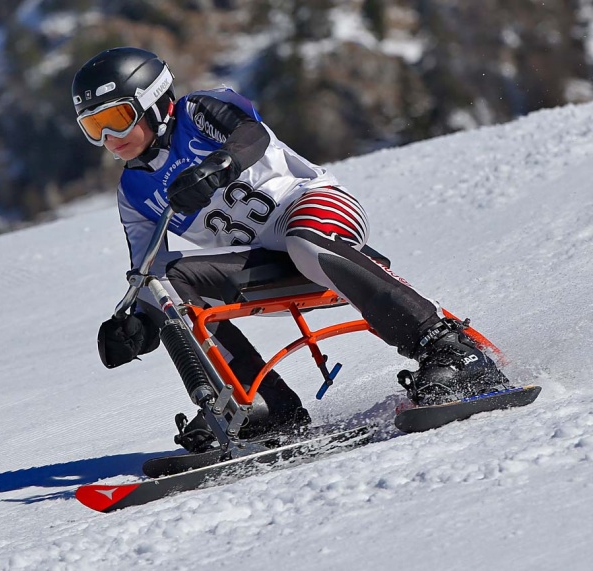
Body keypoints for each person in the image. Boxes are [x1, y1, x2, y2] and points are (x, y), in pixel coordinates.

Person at [71, 47, 509, 452]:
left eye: (118, 118)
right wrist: (140, 325)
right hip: (267, 263)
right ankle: (259, 407)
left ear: (155, 101)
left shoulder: (196, 111)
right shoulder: (134, 191)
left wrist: (220, 164)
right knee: (166, 284)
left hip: (316, 210)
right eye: (94, 127)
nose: (110, 137)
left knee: (303, 239)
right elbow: (149, 271)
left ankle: (449, 348)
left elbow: (249, 134)